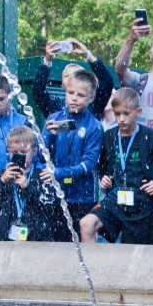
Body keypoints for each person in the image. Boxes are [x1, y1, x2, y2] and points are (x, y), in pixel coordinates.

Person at [80, 87, 153, 244]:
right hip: (117, 198)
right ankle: (91, 268)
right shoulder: (109, 136)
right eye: (117, 113)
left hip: (143, 203)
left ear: (138, 112)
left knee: (131, 250)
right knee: (86, 224)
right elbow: (102, 166)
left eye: (126, 113)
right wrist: (103, 178)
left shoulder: (151, 136)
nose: (121, 119)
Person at [41, 68, 104, 230]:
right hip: (56, 194)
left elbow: (89, 164)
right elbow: (41, 156)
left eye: (81, 95)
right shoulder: (53, 119)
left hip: (83, 197)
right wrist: (49, 136)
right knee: (57, 245)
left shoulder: (95, 126)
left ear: (91, 97)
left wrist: (59, 173)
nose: (74, 98)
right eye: (71, 93)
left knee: (80, 246)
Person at [0, 125, 65, 242]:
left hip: (36, 236)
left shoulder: (42, 175)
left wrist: (27, 187)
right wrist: (1, 181)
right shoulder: (3, 175)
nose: (19, 156)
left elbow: (50, 209)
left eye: (24, 152)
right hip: (7, 236)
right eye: (14, 152)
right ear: (8, 151)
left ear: (34, 150)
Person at [31, 39, 115, 127]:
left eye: (76, 76)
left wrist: (88, 55)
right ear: (62, 85)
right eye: (68, 76)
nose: (72, 79)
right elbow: (38, 91)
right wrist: (47, 61)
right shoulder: (55, 107)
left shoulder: (92, 105)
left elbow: (107, 83)